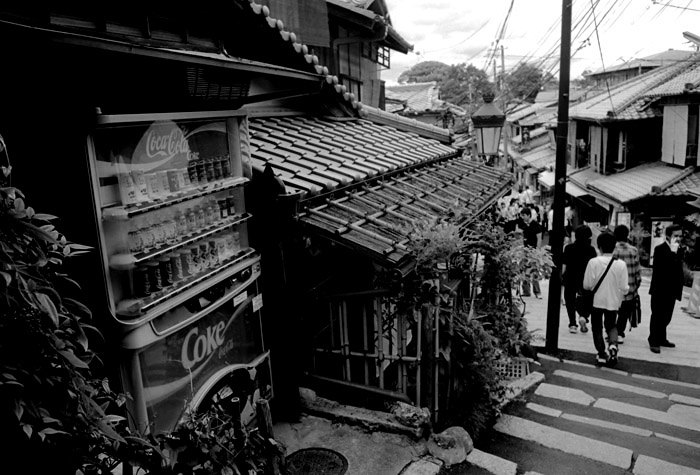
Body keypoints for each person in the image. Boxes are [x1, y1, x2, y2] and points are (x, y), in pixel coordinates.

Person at [583, 231, 628, 366]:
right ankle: (613, 345)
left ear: (599, 246)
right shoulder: (621, 264)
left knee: (597, 327)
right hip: (613, 301)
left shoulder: (593, 262)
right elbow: (624, 287)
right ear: (614, 246)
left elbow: (587, 285)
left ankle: (601, 353)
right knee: (611, 325)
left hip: (596, 301)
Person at [648, 224, 684, 353]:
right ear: (668, 236)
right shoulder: (660, 249)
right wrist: (672, 253)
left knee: (667, 316)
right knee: (658, 315)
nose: (678, 238)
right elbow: (661, 269)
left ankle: (662, 338)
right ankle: (653, 340)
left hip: (672, 289)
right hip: (660, 288)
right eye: (676, 236)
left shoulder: (679, 250)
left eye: (680, 236)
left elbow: (678, 269)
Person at [562, 225, 598, 333]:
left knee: (570, 300)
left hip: (570, 277)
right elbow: (594, 266)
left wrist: (561, 277)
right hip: (585, 278)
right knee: (587, 299)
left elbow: (564, 266)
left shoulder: (568, 248)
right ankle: (583, 316)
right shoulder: (591, 250)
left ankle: (572, 324)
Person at [612, 224, 642, 344]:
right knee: (624, 312)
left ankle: (611, 331)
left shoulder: (612, 250)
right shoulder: (633, 251)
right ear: (627, 235)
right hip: (629, 288)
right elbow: (637, 272)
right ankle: (619, 333)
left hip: (613, 287)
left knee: (612, 311)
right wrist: (636, 286)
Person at [516, 207, 542, 298]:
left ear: (528, 215)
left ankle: (537, 291)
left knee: (534, 270)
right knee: (524, 270)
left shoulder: (536, 225)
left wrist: (537, 251)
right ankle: (526, 291)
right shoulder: (524, 225)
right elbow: (522, 236)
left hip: (533, 250)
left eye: (524, 215)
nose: (522, 217)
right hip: (525, 250)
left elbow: (539, 238)